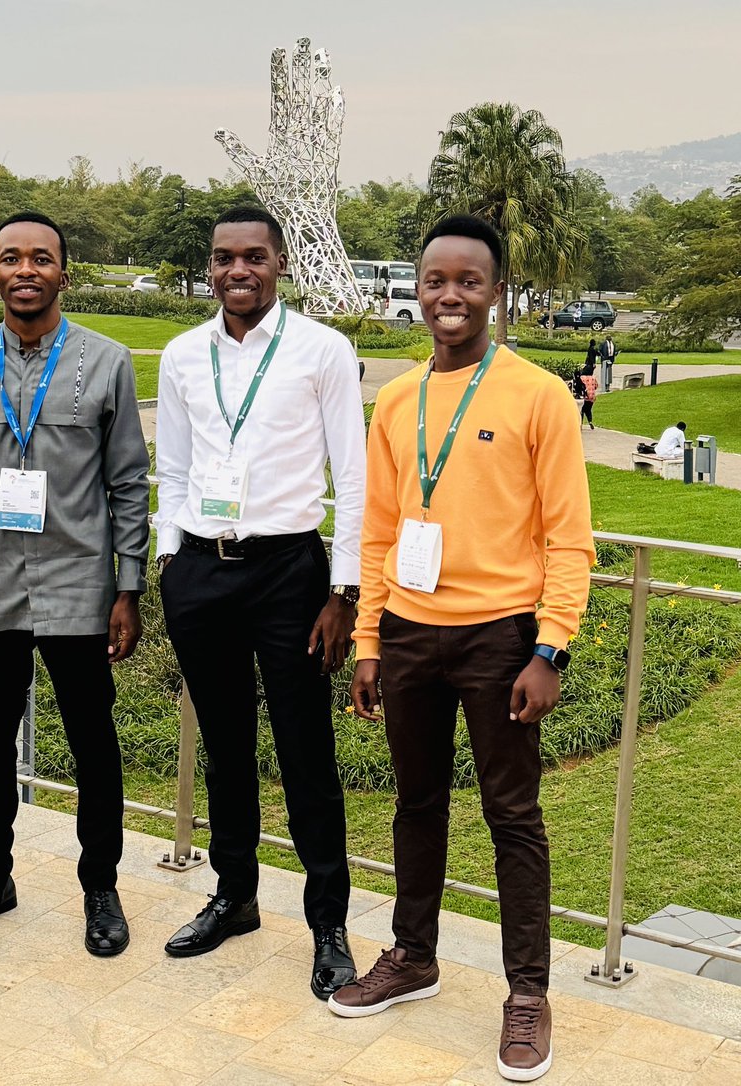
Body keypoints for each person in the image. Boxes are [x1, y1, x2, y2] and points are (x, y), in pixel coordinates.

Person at [333, 215, 593, 1084]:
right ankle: (413, 956)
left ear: (497, 293)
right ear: (418, 290)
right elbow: (376, 532)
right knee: (416, 804)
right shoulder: (400, 399)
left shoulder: (538, 394)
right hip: (409, 632)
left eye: (468, 281)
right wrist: (369, 639)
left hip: (500, 637)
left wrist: (549, 651)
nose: (449, 296)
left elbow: (570, 539)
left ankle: (527, 993)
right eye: (434, 280)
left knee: (512, 816)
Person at [0, 211, 150, 958]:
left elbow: (127, 485)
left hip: (80, 588)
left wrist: (129, 587)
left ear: (63, 272)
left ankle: (100, 889)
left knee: (92, 744)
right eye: (11, 258)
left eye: (41, 259)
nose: (26, 270)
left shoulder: (108, 361)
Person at [154, 204, 366, 1000]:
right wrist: (172, 559)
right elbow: (171, 467)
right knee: (225, 743)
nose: (236, 271)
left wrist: (344, 591)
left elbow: (356, 476)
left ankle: (329, 925)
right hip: (202, 571)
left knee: (306, 752)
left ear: (281, 263)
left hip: (290, 574)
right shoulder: (182, 355)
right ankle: (234, 895)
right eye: (222, 259)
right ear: (208, 267)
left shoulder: (323, 351)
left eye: (253, 257)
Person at [578, 363, 599, 430]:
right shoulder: (593, 378)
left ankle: (580, 423)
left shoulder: (582, 378)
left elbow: (579, 386)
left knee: (582, 410)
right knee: (588, 410)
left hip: (585, 396)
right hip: (592, 397)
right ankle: (590, 421)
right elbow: (596, 386)